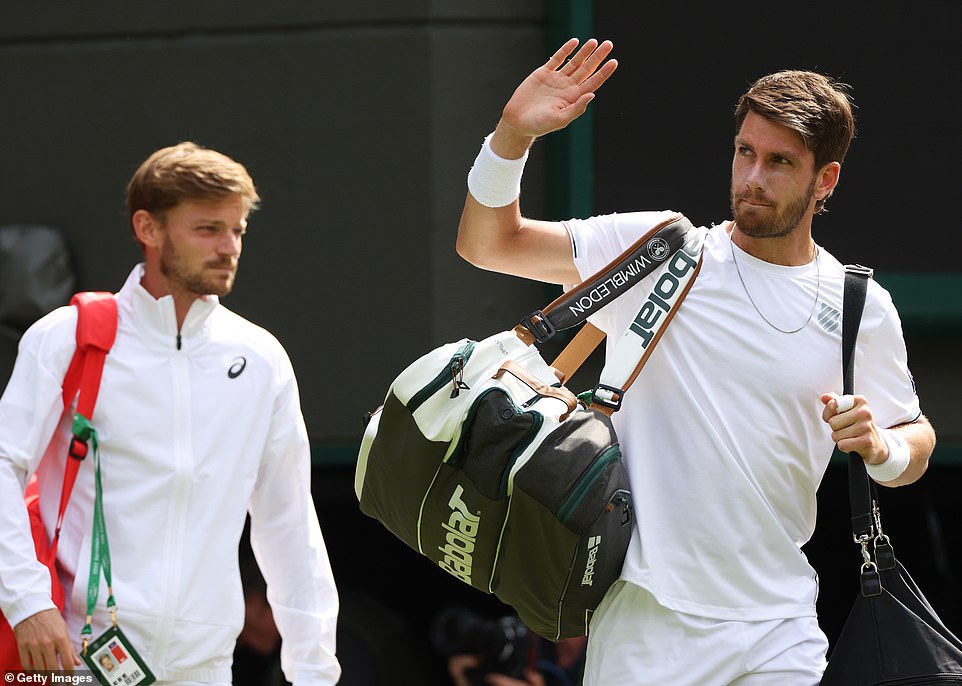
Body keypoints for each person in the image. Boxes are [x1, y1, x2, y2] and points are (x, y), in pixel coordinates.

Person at [455, 38, 936, 686]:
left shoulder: (861, 306)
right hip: (644, 626)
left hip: (779, 631)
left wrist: (882, 448)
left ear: (826, 179)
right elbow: (488, 242)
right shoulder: (658, 250)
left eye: (779, 163)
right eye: (745, 153)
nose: (753, 178)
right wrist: (510, 137)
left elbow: (917, 439)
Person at [0, 142, 340, 684]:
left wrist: (315, 670)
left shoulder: (261, 358)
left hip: (203, 665)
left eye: (238, 230)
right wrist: (26, 602)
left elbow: (289, 523)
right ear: (148, 229)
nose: (229, 247)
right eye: (208, 229)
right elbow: (3, 463)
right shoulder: (65, 338)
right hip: (76, 658)